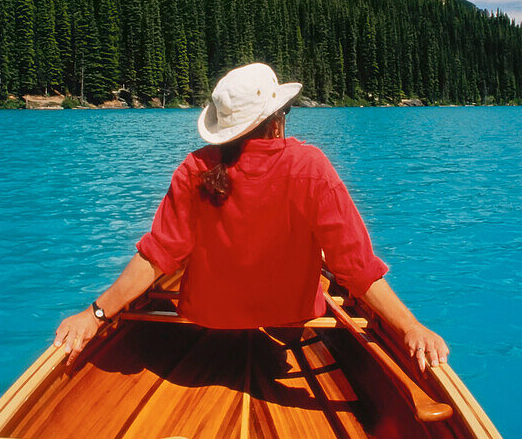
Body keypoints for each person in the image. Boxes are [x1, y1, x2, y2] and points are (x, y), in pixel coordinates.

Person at [54, 62, 449, 372]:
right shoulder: (311, 168)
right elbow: (356, 269)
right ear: (277, 119)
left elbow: (158, 256)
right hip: (292, 321)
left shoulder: (195, 168)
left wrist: (95, 315)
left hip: (206, 321)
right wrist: (411, 328)